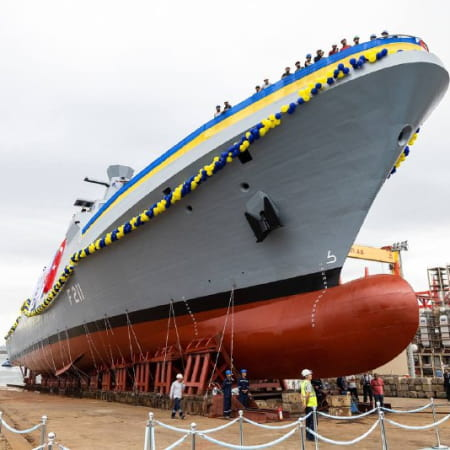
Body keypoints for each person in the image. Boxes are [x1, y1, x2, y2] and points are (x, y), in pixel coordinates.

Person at [300, 368, 317, 441]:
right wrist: (305, 403)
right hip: (311, 405)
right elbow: (307, 395)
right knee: (313, 422)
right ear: (306, 376)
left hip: (307, 405)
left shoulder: (303, 383)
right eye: (310, 374)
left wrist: (303, 403)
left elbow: (301, 394)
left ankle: (307, 436)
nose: (311, 375)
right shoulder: (308, 384)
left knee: (308, 421)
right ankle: (311, 437)